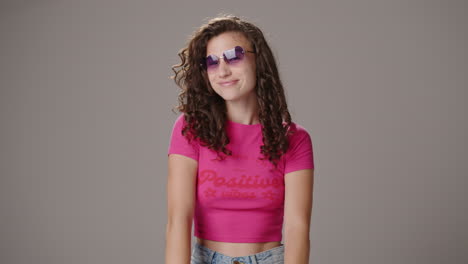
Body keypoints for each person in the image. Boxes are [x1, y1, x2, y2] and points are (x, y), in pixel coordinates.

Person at [165, 14, 315, 264]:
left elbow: (297, 228)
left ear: (259, 60)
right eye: (211, 62)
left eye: (234, 56)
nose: (222, 71)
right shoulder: (190, 129)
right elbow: (178, 220)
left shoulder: (295, 139)